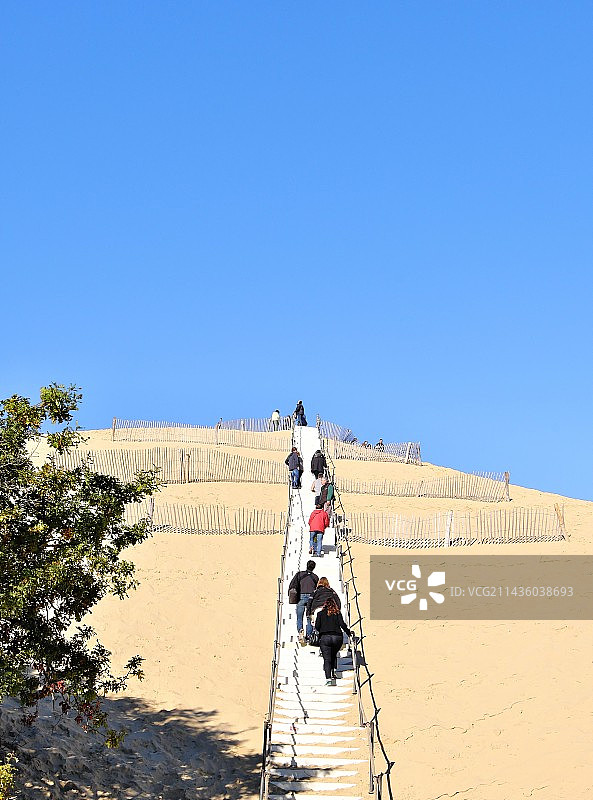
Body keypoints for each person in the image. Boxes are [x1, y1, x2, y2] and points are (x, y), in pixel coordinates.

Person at [315, 596, 351, 685]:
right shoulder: (337, 613)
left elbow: (317, 627)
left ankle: (328, 679)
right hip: (337, 637)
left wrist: (322, 630)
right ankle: (334, 671)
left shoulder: (320, 614)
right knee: (334, 654)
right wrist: (349, 633)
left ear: (325, 605)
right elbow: (342, 624)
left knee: (327, 659)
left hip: (325, 637)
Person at [288, 560, 318, 641]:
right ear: (314, 567)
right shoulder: (315, 577)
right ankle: (309, 635)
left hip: (301, 597)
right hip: (311, 599)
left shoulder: (300, 574)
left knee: (299, 617)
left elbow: (292, 585)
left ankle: (300, 631)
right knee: (309, 618)